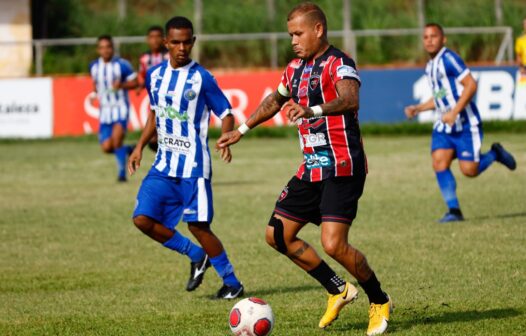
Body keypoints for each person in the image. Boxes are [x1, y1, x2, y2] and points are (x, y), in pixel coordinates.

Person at [217, 3, 391, 335]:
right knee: (277, 235)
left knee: (333, 245)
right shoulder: (294, 68)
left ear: (318, 30)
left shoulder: (340, 63)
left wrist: (312, 110)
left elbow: (350, 99)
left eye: (298, 34)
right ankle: (338, 289)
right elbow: (274, 101)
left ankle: (379, 300)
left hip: (342, 166)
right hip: (311, 168)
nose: (294, 41)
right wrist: (241, 130)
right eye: (290, 35)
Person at [128, 16, 244, 299]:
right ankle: (195, 255)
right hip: (164, 164)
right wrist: (139, 146)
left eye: (187, 41)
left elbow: (226, 113)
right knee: (142, 219)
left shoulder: (202, 78)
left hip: (193, 165)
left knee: (197, 225)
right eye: (176, 42)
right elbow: (154, 114)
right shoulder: (154, 76)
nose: (182, 47)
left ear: (193, 42)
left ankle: (232, 283)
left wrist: (226, 137)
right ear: (166, 43)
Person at [404, 23, 516, 223]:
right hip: (445, 125)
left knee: (469, 171)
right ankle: (454, 211)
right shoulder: (431, 65)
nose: (429, 40)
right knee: (439, 162)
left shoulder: (449, 59)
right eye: (426, 37)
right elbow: (441, 96)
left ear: (443, 39)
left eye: (434, 36)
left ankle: (495, 153)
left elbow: (471, 84)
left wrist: (455, 112)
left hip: (465, 124)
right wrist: (418, 108)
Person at [89, 35, 137, 182]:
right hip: (105, 112)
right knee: (106, 148)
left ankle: (122, 175)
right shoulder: (94, 66)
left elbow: (135, 83)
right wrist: (94, 93)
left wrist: (121, 85)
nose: (105, 50)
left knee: (116, 142)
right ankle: (129, 149)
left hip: (120, 109)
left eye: (108, 47)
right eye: (102, 47)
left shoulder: (122, 65)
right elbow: (95, 83)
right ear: (98, 49)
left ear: (113, 48)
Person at [137, 26, 170, 152]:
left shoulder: (169, 55)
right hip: (155, 102)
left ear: (164, 39)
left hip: (171, 99)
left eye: (158, 37)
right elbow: (142, 75)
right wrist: (140, 86)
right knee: (153, 139)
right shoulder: (144, 58)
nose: (155, 40)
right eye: (152, 37)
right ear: (148, 39)